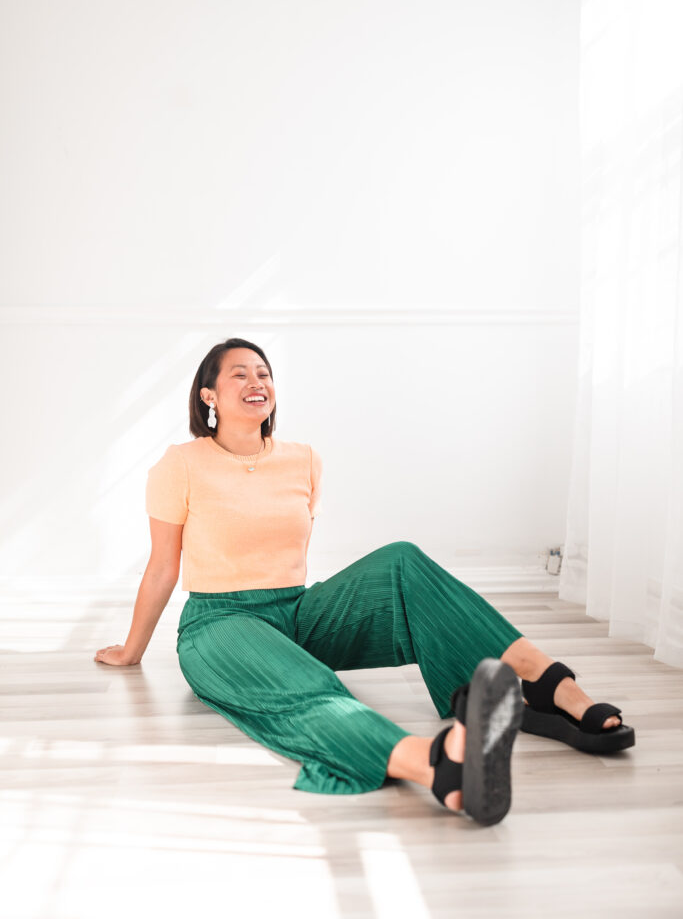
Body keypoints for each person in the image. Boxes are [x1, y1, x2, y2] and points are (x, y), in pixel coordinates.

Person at [94, 338, 635, 826]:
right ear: (208, 395)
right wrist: (132, 650)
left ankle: (551, 687)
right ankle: (435, 767)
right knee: (310, 691)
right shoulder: (180, 465)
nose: (256, 382)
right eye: (239, 374)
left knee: (401, 560)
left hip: (296, 612)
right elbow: (164, 565)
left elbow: (288, 556)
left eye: (264, 373)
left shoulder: (303, 460)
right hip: (220, 623)